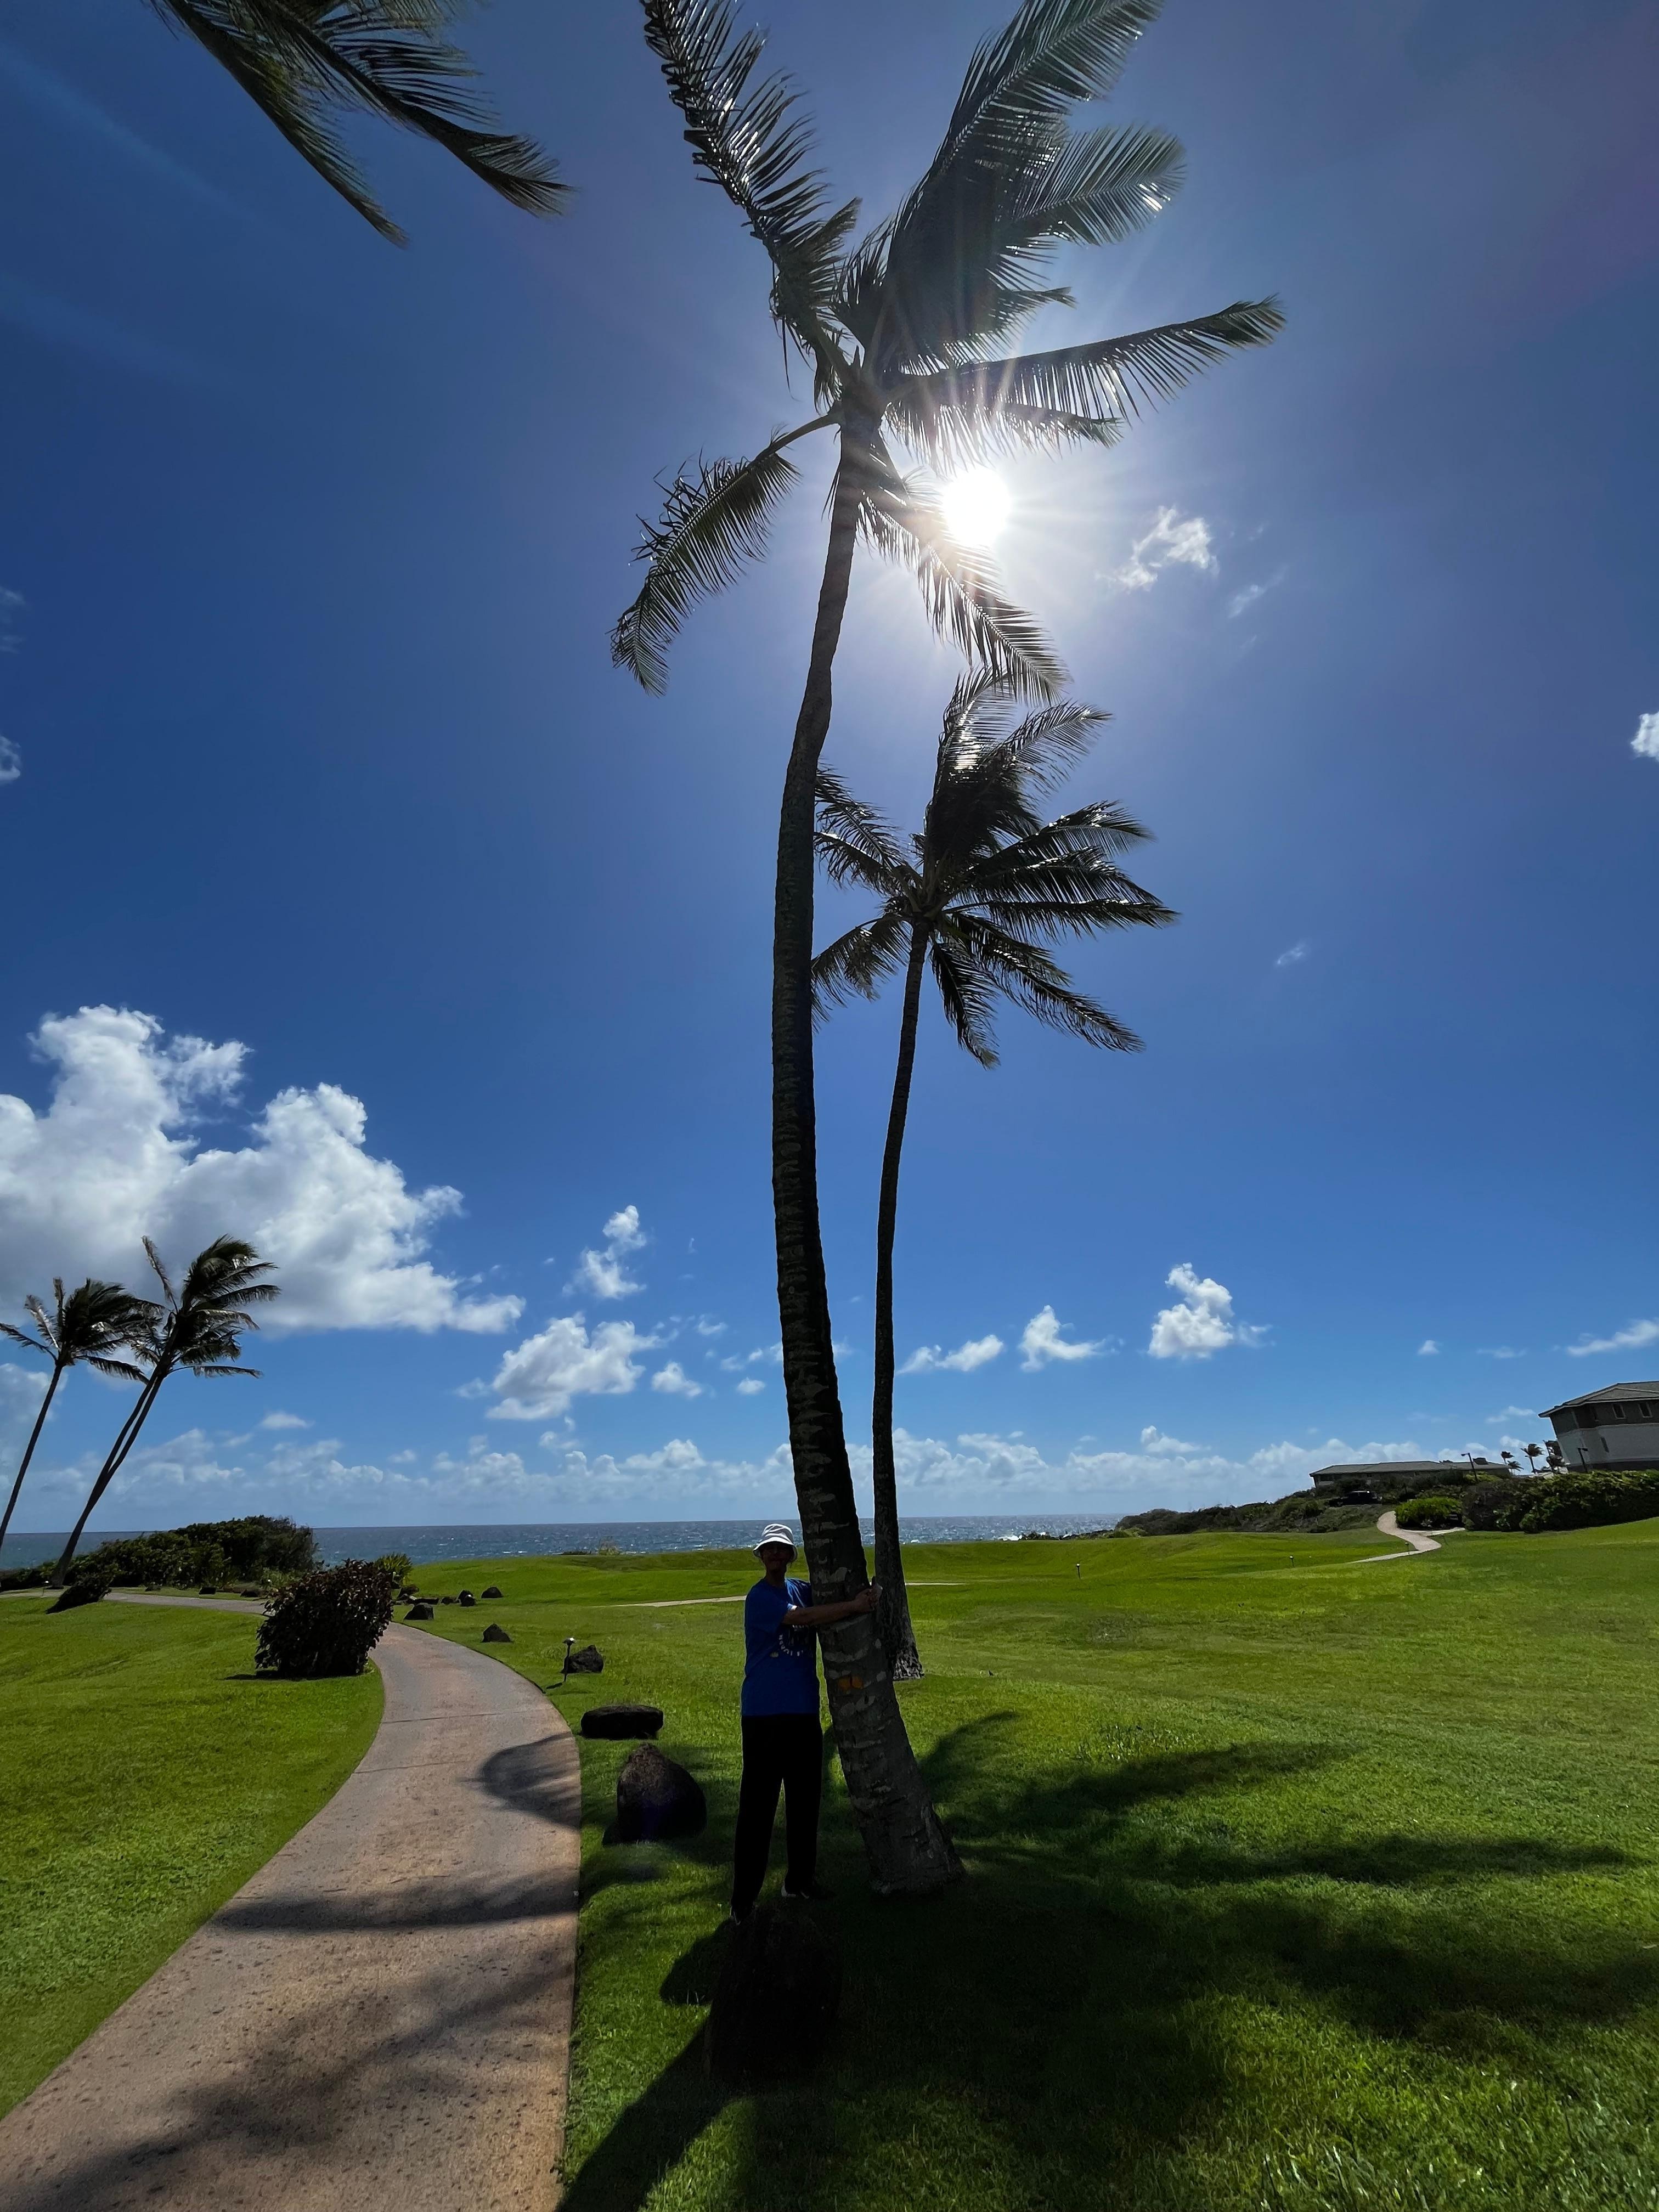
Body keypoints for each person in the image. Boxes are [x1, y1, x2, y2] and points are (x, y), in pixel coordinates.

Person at [730, 1521, 877, 1922]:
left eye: (783, 1550)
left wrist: (870, 1592)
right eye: (770, 1550)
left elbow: (828, 1597)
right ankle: (742, 1902)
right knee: (757, 1809)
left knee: (804, 1802)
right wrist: (853, 1607)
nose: (776, 1556)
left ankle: (798, 1881)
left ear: (792, 1556)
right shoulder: (759, 1598)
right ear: (761, 1556)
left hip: (802, 1713)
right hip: (763, 1716)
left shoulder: (799, 1588)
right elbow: (807, 1617)